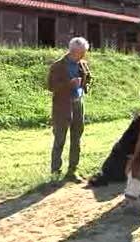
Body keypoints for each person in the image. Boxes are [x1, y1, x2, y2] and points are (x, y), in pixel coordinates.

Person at [47, 37, 92, 182]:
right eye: (83, 52)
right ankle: (55, 173)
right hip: (62, 107)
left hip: (79, 104)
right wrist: (69, 84)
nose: (84, 55)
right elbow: (51, 87)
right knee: (59, 139)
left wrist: (84, 85)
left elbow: (89, 78)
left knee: (76, 139)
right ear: (74, 51)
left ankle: (72, 171)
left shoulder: (83, 64)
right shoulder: (57, 66)